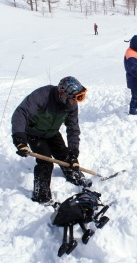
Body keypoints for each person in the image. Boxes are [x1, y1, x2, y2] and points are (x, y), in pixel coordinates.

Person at [11, 76, 91, 204]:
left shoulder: (71, 103)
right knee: (45, 163)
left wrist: (74, 152)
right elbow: (21, 113)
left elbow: (73, 128)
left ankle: (74, 175)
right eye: (72, 99)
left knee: (66, 156)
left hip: (52, 132)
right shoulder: (42, 95)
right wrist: (20, 140)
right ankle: (41, 195)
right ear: (62, 93)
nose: (74, 102)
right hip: (34, 133)